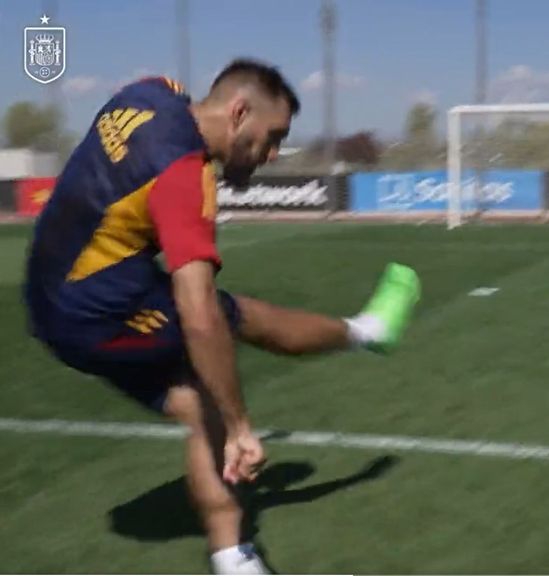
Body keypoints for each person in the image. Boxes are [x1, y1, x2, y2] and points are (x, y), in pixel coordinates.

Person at [22, 59, 421, 574]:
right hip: (92, 314)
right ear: (238, 113)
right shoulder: (185, 175)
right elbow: (198, 312)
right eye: (271, 137)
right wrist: (241, 427)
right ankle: (368, 331)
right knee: (225, 329)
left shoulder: (151, 92)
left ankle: (233, 554)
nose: (273, 154)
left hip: (46, 291)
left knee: (200, 397)